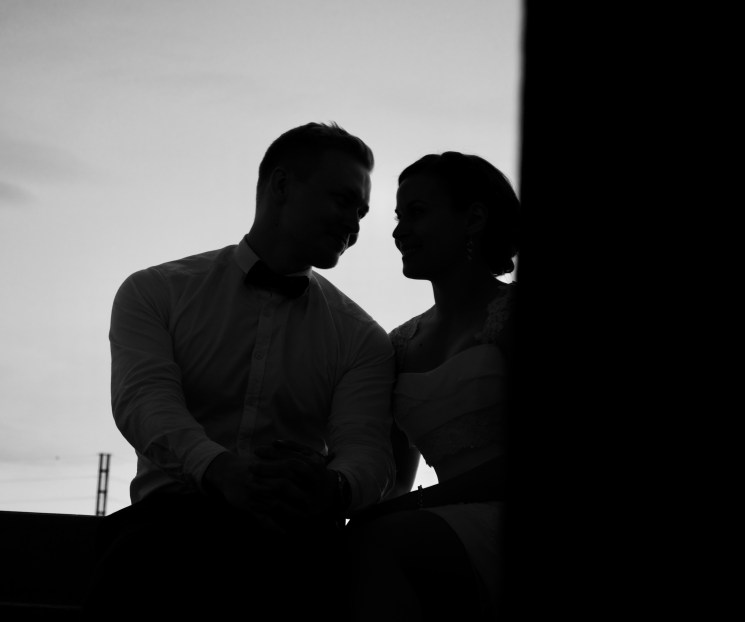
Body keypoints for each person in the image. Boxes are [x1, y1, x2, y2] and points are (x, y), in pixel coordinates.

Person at [84, 122, 396, 621]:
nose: (353, 226)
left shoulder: (362, 338)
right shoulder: (154, 292)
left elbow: (368, 449)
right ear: (282, 185)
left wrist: (334, 488)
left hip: (294, 541)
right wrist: (221, 471)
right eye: (343, 201)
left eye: (361, 214)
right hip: (167, 531)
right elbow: (144, 401)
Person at [345, 152, 520, 621]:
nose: (399, 231)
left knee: (379, 541)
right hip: (440, 526)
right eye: (398, 216)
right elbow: (391, 481)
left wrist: (414, 507)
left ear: (474, 219)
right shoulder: (399, 344)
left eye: (417, 213)